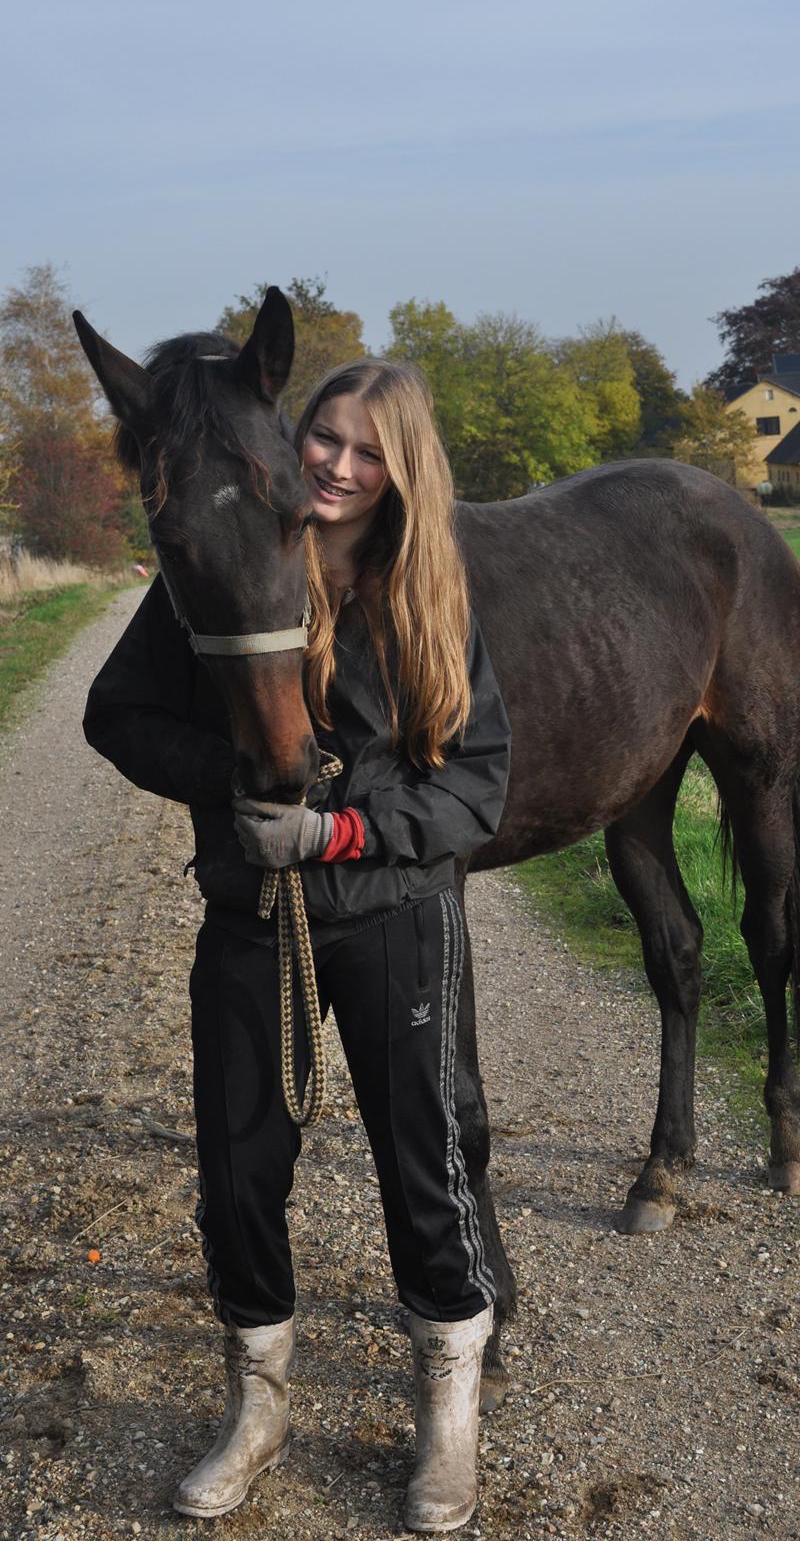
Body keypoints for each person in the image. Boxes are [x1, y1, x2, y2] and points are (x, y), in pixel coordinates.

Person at [83, 358, 511, 1532]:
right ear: (291, 436)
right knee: (239, 1167)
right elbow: (112, 714)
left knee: (423, 1165)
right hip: (251, 915)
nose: (338, 464)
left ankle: (448, 1421)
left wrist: (346, 828)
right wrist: (229, 786)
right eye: (324, 437)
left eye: (368, 452)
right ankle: (258, 1406)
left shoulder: (427, 592)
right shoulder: (222, 563)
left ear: (401, 468)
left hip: (392, 915)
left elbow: (478, 785)